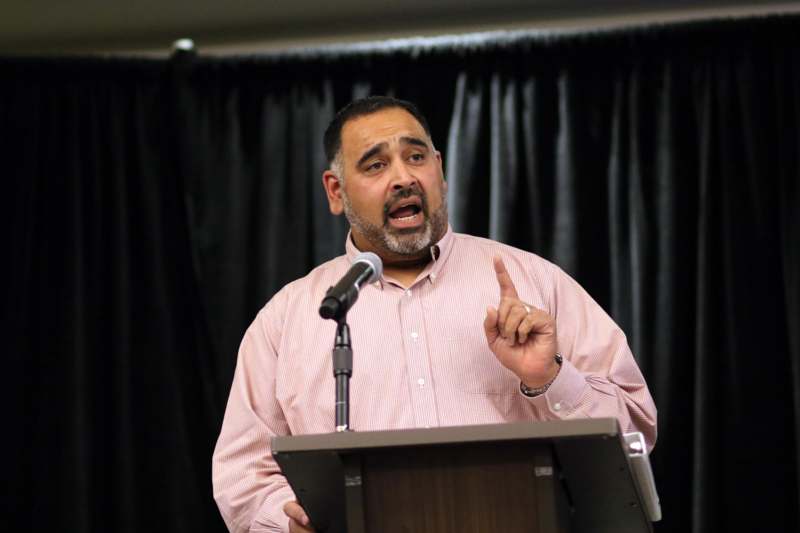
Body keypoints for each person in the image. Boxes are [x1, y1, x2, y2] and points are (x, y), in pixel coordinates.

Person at [212, 96, 657, 533]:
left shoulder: (534, 282)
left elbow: (634, 433)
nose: (404, 178)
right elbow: (242, 472)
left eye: (416, 156)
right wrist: (289, 522)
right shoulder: (288, 318)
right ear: (335, 191)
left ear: (440, 171)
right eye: (375, 165)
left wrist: (550, 378)